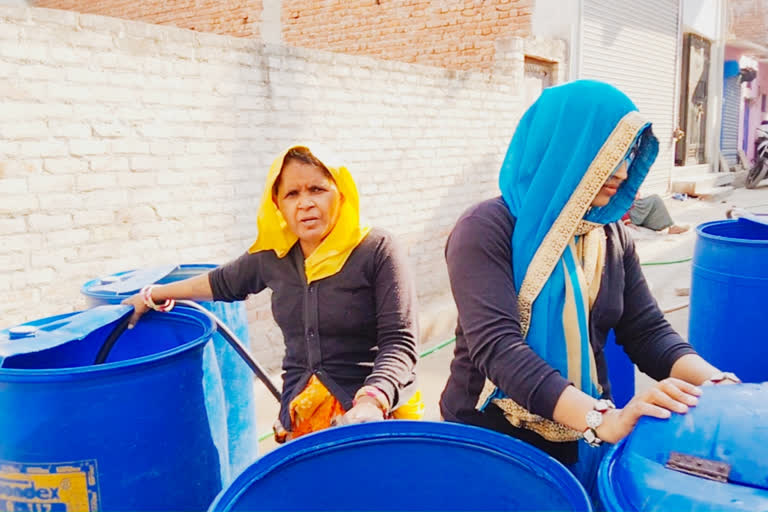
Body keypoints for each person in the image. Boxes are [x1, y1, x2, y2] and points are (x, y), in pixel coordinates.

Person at [438, 80, 738, 500]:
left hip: (580, 431)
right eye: (609, 151)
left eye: (628, 152)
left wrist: (719, 383)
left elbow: (647, 330)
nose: (621, 169)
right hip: (493, 439)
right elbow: (498, 349)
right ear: (565, 148)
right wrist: (599, 418)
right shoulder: (486, 230)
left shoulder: (609, 235)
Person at [123, 144, 423, 442]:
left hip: (369, 415)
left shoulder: (377, 249)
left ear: (340, 193)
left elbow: (399, 341)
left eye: (317, 189)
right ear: (277, 205)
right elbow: (221, 282)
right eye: (292, 194)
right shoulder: (275, 256)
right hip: (300, 417)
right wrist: (154, 294)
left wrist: (372, 399)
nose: (304, 203)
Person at [624, 193, 690, 234]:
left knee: (652, 199)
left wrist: (636, 195)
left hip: (631, 205)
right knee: (655, 199)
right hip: (628, 210)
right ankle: (672, 227)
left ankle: (670, 227)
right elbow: (618, 204)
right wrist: (627, 222)